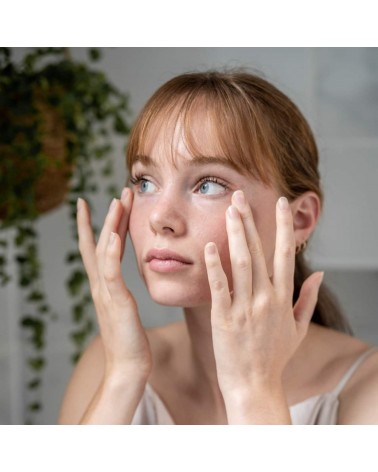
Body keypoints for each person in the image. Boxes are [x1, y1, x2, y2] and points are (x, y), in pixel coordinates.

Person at [59, 70, 378, 425]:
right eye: (145, 182)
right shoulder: (107, 364)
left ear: (299, 219)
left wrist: (253, 390)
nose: (160, 218)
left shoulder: (369, 391)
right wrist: (123, 375)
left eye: (209, 185)